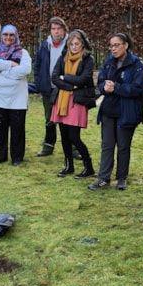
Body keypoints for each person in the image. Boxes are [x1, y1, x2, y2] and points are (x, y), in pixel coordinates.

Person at [88, 33, 143, 191]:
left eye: (117, 45)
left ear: (126, 45)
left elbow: (138, 89)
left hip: (126, 112)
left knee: (123, 146)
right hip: (108, 110)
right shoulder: (108, 62)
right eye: (111, 45)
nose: (113, 48)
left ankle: (121, 178)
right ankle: (103, 178)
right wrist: (103, 86)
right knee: (107, 145)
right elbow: (100, 82)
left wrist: (116, 87)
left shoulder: (137, 64)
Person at [50, 29, 96, 178]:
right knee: (63, 136)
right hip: (62, 99)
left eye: (77, 44)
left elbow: (83, 80)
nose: (74, 47)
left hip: (77, 100)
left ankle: (88, 167)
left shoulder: (88, 59)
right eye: (71, 44)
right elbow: (55, 77)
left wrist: (66, 77)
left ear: (83, 45)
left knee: (74, 137)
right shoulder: (63, 56)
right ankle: (68, 166)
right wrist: (71, 85)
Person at [0, 24, 32, 166]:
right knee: (0, 128)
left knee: (18, 129)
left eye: (11, 35)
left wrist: (2, 71)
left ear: (16, 36)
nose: (8, 37)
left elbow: (25, 70)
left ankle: (17, 158)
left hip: (17, 98)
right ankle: (0, 157)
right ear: (1, 36)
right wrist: (11, 64)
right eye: (5, 34)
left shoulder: (23, 52)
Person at [34, 17, 69, 157]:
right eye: (53, 29)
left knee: (67, 120)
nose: (56, 32)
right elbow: (37, 65)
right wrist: (39, 83)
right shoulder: (45, 45)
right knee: (49, 119)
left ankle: (72, 149)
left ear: (64, 29)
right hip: (48, 88)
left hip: (64, 88)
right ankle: (48, 147)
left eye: (59, 28)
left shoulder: (70, 44)